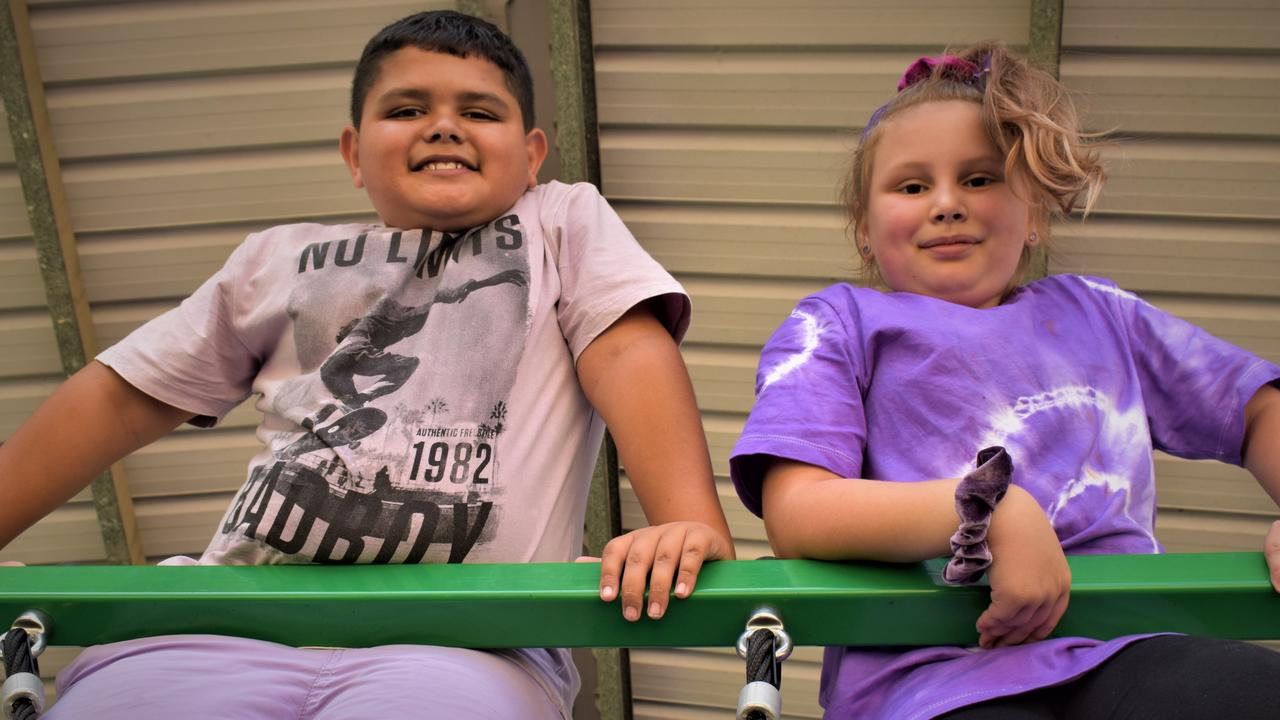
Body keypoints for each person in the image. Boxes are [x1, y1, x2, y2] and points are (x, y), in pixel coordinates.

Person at [0, 10, 733, 719]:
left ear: (533, 154)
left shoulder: (560, 223)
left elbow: (627, 347)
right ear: (354, 152)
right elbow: (121, 395)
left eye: (480, 111)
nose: (444, 125)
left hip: (469, 642)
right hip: (222, 619)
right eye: (407, 108)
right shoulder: (278, 258)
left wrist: (689, 523)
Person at [730, 41, 1280, 720]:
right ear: (864, 230)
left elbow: (1257, 408)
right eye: (910, 186)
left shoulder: (1100, 314)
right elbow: (798, 512)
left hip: (1130, 644)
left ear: (1036, 217)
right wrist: (988, 511)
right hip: (932, 673)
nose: (946, 203)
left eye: (981, 179)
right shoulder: (840, 323)